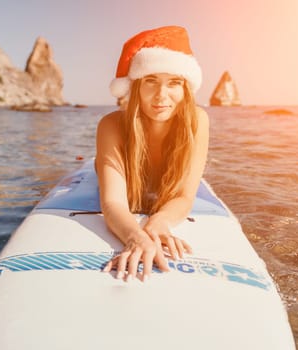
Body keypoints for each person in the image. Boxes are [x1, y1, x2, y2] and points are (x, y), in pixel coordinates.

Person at [95, 26, 210, 282]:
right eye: (151, 81)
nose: (161, 95)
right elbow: (113, 202)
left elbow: (184, 195)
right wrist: (136, 238)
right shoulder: (111, 125)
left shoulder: (197, 121)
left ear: (185, 89)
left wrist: (159, 222)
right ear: (136, 87)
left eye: (174, 83)